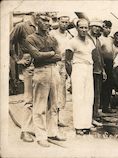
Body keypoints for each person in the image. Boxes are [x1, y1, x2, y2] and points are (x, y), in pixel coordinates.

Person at [25, 13, 66, 147]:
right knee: (39, 106)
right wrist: (51, 53)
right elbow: (36, 56)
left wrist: (46, 55)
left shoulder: (52, 38)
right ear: (37, 22)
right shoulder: (30, 38)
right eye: (44, 20)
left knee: (54, 105)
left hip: (54, 70)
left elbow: (59, 56)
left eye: (48, 21)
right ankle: (41, 136)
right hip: (41, 72)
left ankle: (52, 132)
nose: (47, 23)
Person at [9, 12, 36, 142]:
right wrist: (16, 59)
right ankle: (25, 130)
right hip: (29, 64)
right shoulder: (22, 26)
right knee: (29, 99)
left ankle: (36, 128)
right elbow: (8, 41)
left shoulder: (45, 26)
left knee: (41, 98)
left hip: (43, 64)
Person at [66, 19, 96, 135]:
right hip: (78, 69)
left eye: (85, 28)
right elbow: (68, 61)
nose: (84, 30)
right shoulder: (72, 42)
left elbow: (93, 56)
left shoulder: (89, 41)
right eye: (81, 27)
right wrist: (71, 77)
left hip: (89, 69)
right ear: (77, 28)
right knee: (78, 98)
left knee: (88, 97)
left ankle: (86, 124)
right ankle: (78, 126)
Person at [50, 14, 72, 127]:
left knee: (61, 92)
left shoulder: (69, 36)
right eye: (62, 22)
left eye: (66, 22)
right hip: (53, 64)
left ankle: (57, 119)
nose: (64, 24)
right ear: (58, 21)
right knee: (52, 90)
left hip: (63, 65)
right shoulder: (52, 34)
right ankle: (50, 119)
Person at [101, 31, 118, 113]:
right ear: (114, 36)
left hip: (112, 65)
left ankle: (106, 106)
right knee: (103, 84)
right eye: (117, 35)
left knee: (110, 85)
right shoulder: (109, 43)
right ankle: (101, 105)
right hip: (104, 63)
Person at [88, 19, 107, 121]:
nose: (97, 29)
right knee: (89, 95)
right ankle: (89, 116)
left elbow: (100, 57)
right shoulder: (86, 39)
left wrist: (103, 70)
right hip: (90, 70)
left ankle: (95, 114)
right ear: (91, 27)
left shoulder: (98, 41)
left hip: (98, 71)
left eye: (99, 28)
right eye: (95, 27)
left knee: (97, 94)